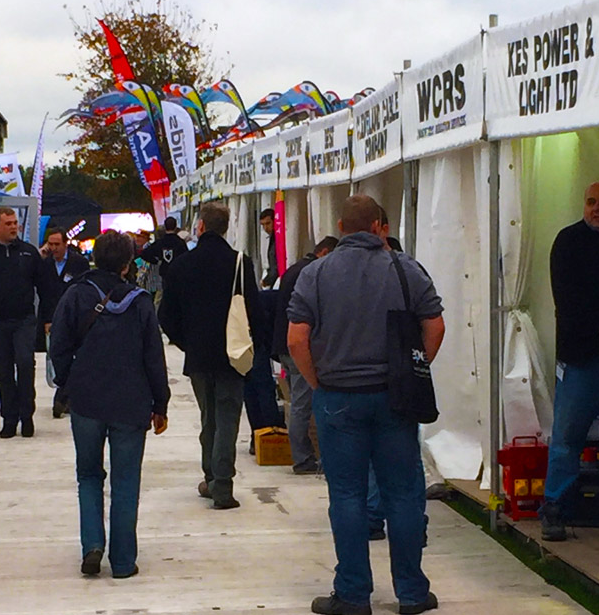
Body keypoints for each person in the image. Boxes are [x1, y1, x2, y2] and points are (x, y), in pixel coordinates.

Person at [288, 195, 445, 615]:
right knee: (403, 494)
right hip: (393, 396)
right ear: (379, 226)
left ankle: (353, 593)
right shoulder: (405, 268)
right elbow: (435, 324)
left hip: (338, 396)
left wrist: (316, 379)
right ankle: (412, 593)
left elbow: (296, 338)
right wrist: (415, 369)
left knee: (347, 496)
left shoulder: (316, 273)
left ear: (341, 225)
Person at [50, 230, 170, 579]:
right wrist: (160, 403)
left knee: (88, 475)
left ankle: (92, 545)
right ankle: (122, 560)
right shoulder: (141, 302)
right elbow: (154, 359)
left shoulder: (74, 296)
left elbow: (57, 346)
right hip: (131, 405)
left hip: (86, 401)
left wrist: (67, 384)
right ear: (127, 263)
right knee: (126, 480)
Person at [539, 180, 599, 542]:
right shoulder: (569, 242)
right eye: (591, 202)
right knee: (567, 437)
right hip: (581, 357)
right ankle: (555, 506)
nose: (597, 208)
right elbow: (569, 300)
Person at [159, 201, 258, 510]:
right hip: (233, 352)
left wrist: (184, 341)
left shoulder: (181, 266)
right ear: (226, 228)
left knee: (208, 417)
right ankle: (223, 484)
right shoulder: (240, 263)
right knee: (228, 416)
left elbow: (165, 314)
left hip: (199, 353)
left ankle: (210, 475)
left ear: (200, 226)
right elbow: (254, 309)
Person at [0, 207, 55, 439]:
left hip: (24, 320)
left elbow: (44, 288)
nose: (14, 227)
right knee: (4, 372)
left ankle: (27, 416)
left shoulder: (28, 253)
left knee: (25, 365)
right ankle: (9, 418)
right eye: (8, 224)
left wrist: (48, 318)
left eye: (15, 223)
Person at [272, 236, 338, 474]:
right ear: (324, 252)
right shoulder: (311, 273)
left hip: (283, 344)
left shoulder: (294, 269)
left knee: (296, 403)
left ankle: (303, 453)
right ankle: (302, 457)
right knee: (302, 403)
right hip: (297, 346)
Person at [39, 227, 91, 418]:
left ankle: (62, 397)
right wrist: (46, 319)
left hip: (77, 317)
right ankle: (64, 394)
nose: (53, 248)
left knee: (76, 357)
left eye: (57, 244)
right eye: (50, 244)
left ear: (65, 244)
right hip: (53, 318)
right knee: (58, 357)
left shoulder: (79, 263)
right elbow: (43, 294)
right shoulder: (44, 265)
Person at [259, 208, 278, 288]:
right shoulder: (271, 238)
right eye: (263, 225)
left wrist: (267, 280)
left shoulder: (278, 238)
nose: (265, 228)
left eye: (268, 223)